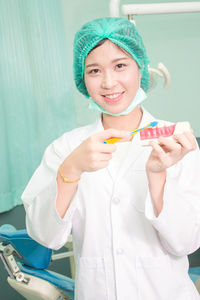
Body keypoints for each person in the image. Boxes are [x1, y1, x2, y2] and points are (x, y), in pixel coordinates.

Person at [22, 17, 200, 300]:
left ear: (140, 68)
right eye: (94, 70)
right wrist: (71, 169)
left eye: (120, 65)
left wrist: (157, 178)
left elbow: (186, 242)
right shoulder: (66, 148)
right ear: (83, 79)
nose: (108, 82)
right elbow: (45, 236)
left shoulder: (176, 143)